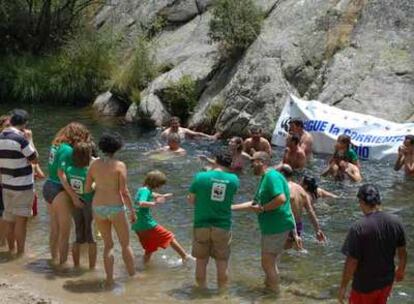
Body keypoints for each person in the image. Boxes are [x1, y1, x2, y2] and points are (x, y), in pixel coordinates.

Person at [232, 152, 299, 293]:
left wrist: (263, 209)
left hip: (276, 226)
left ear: (261, 162)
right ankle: (269, 289)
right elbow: (254, 204)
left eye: (253, 161)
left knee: (267, 262)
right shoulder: (265, 178)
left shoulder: (271, 176)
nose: (251, 165)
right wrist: (230, 208)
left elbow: (280, 199)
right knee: (270, 262)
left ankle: (274, 294)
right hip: (274, 226)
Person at [339, 184, 407, 304]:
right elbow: (402, 252)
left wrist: (343, 286)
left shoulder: (358, 227)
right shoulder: (396, 222)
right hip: (386, 283)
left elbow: (352, 261)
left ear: (361, 201)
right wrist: (401, 270)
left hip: (364, 287)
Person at [85, 132, 136, 287]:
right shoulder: (120, 166)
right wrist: (132, 211)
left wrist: (98, 185)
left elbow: (87, 188)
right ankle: (133, 277)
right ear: (117, 148)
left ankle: (109, 279)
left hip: (98, 207)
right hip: (116, 207)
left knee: (108, 245)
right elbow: (124, 192)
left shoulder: (93, 164)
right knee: (125, 245)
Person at [187, 149, 240, 289]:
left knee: (201, 261)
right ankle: (222, 295)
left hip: (201, 223)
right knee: (222, 262)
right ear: (229, 164)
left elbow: (191, 200)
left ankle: (201, 292)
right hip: (222, 225)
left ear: (215, 160)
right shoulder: (234, 180)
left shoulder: (200, 177)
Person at [42, 122, 91, 265]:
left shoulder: (56, 145)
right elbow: (61, 173)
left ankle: (54, 259)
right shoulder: (67, 150)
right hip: (59, 189)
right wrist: (75, 197)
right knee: (65, 231)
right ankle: (62, 264)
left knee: (54, 228)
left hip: (49, 185)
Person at [0, 109, 38, 256]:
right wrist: (30, 139)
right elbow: (34, 158)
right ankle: (20, 254)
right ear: (24, 123)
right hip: (22, 186)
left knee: (9, 220)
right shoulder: (21, 139)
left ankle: (10, 250)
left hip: (6, 185)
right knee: (21, 222)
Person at [132, 170, 191, 264]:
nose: (160, 187)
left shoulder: (142, 189)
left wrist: (163, 196)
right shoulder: (145, 191)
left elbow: (152, 194)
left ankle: (143, 267)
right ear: (155, 183)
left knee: (150, 248)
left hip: (137, 225)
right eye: (160, 185)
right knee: (169, 237)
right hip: (146, 223)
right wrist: (155, 203)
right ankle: (185, 257)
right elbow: (141, 203)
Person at [65, 142, 97, 269]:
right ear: (88, 155)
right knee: (91, 236)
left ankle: (76, 265)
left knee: (78, 234)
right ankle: (92, 267)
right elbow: (93, 187)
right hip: (89, 203)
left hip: (75, 203)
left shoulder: (69, 169)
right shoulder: (89, 171)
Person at [278, 165, 326, 249]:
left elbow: (286, 211)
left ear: (281, 174)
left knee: (282, 254)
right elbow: (310, 211)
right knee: (292, 253)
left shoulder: (284, 188)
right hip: (298, 225)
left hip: (287, 225)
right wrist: (317, 230)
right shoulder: (301, 189)